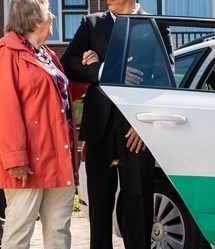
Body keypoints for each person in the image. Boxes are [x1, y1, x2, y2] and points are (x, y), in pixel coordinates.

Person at [61, 0, 172, 248]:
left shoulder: (156, 26)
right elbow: (68, 62)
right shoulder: (91, 24)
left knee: (138, 205)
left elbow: (166, 81)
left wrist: (146, 124)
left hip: (137, 131)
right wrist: (102, 69)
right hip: (99, 128)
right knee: (99, 207)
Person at [0, 0, 78, 248]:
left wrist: (87, 72)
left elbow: (59, 98)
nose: (53, 17)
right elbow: (3, 110)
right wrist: (15, 159)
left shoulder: (47, 55)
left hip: (57, 157)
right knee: (20, 228)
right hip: (29, 162)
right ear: (34, 20)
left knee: (59, 228)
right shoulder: (6, 53)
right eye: (49, 12)